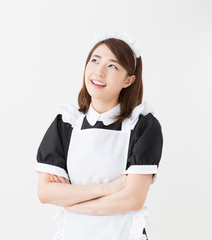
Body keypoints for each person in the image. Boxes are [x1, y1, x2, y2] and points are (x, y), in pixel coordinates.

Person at [35, 31, 163, 240]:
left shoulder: (143, 126)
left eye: (113, 65)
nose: (99, 71)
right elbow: (46, 193)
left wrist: (71, 199)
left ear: (128, 80)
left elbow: (132, 199)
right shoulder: (65, 124)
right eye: (95, 60)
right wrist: (110, 187)